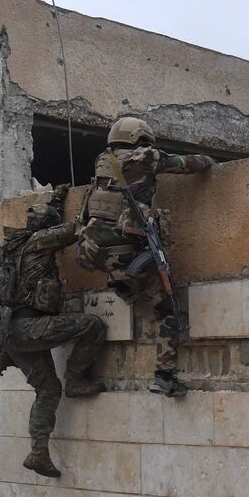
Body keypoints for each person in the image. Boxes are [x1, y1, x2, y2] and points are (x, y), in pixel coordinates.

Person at [78, 116, 215, 397]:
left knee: (130, 273)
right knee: (167, 309)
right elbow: (189, 164)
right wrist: (209, 160)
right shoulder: (147, 155)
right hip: (127, 253)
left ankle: (124, 286)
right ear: (140, 137)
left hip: (96, 253)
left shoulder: (102, 163)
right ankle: (164, 376)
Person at [0, 185, 107, 478]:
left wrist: (56, 199)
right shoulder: (39, 241)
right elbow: (74, 230)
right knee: (93, 325)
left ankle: (38, 452)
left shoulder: (9, 250)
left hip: (9, 336)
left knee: (47, 389)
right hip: (29, 327)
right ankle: (76, 378)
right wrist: (96, 202)